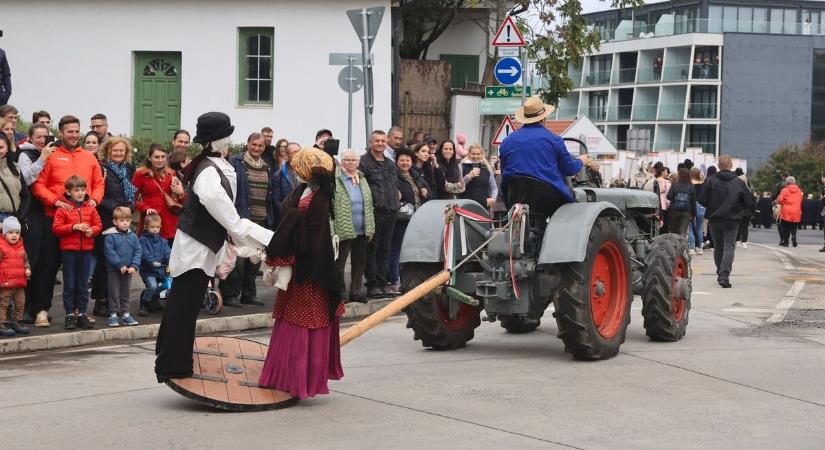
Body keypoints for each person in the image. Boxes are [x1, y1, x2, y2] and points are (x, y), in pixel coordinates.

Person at [154, 112, 274, 382]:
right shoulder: (208, 170)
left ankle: (172, 359)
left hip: (202, 246)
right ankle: (173, 365)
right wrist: (270, 240)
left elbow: (230, 219)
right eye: (227, 135)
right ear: (218, 140)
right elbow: (230, 218)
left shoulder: (214, 164)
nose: (231, 139)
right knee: (183, 306)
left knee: (183, 305)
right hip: (195, 247)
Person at [259, 147, 344, 400]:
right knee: (291, 321)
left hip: (311, 271)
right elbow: (290, 218)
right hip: (297, 267)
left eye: (299, 166)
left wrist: (288, 254)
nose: (295, 170)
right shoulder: (302, 190)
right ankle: (285, 377)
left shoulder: (320, 198)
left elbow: (313, 237)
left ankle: (301, 380)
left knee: (306, 322)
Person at [31, 116, 104, 327]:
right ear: (61, 133)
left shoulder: (89, 158)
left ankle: (79, 312)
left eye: (76, 131)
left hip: (84, 222)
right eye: (69, 131)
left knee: (80, 274)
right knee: (48, 267)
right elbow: (38, 185)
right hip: (55, 220)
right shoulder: (52, 156)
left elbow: (98, 184)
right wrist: (55, 201)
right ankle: (42, 310)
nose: (73, 135)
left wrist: (95, 201)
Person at [499, 96, 585, 219]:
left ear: (525, 118)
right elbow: (569, 169)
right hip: (548, 199)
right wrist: (581, 161)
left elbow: (504, 172)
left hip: (514, 195)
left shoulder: (507, 141)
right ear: (543, 118)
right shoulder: (554, 140)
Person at [221, 132, 273, 307]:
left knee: (255, 259)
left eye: (260, 146)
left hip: (260, 220)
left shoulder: (266, 166)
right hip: (241, 219)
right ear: (248, 144)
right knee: (238, 259)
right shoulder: (236, 162)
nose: (257, 148)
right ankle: (230, 295)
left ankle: (249, 294)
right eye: (254, 145)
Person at [91, 137, 136, 318]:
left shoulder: (129, 169)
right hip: (107, 219)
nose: (118, 153)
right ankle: (100, 301)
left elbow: (133, 191)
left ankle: (114, 301)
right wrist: (117, 209)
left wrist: (129, 206)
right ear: (108, 151)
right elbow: (98, 195)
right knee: (105, 262)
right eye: (115, 150)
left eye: (121, 150)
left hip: (123, 218)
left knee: (121, 259)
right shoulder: (102, 168)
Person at [52, 175, 103, 329]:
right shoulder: (63, 209)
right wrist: (73, 227)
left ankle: (81, 313)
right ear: (68, 192)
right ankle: (69, 314)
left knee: (83, 283)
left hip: (86, 251)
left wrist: (91, 231)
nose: (80, 193)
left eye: (82, 189)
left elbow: (98, 225)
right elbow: (56, 228)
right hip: (69, 251)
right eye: (76, 190)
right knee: (70, 284)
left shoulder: (90, 208)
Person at [16, 124, 53, 324]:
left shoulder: (52, 152)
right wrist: (42, 158)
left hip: (48, 212)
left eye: (44, 136)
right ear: (30, 137)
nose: (41, 140)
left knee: (46, 263)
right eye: (38, 137)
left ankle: (40, 306)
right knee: (33, 261)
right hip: (32, 213)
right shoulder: (25, 154)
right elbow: (27, 179)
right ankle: (27, 307)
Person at [698, 155, 751, 289]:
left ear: (718, 165)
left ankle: (720, 270)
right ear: (731, 165)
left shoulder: (710, 181)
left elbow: (702, 199)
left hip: (715, 218)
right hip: (733, 218)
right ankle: (724, 274)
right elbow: (748, 201)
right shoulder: (739, 182)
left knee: (718, 246)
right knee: (729, 246)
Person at [359, 130, 400, 298]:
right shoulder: (364, 162)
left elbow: (394, 185)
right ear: (371, 142)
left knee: (385, 249)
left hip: (391, 211)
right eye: (377, 141)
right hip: (374, 212)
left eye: (383, 141)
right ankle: (372, 284)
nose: (381, 144)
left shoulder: (390, 164)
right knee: (372, 250)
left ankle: (383, 283)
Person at [333, 149, 375, 303]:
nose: (350, 163)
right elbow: (331, 205)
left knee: (360, 262)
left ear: (358, 162)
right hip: (343, 227)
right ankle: (339, 293)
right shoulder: (336, 179)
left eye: (353, 160)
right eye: (347, 160)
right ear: (341, 161)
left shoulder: (361, 178)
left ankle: (356, 292)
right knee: (340, 263)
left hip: (361, 228)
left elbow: (369, 204)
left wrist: (370, 228)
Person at [389, 150, 427, 294]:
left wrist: (425, 192)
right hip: (402, 219)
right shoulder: (394, 177)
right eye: (402, 160)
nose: (405, 163)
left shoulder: (416, 176)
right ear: (397, 162)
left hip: (417, 219)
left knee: (413, 251)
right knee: (396, 250)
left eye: (408, 160)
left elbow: (429, 192)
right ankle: (394, 280)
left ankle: (409, 280)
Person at [133, 144, 186, 244]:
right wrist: (146, 208)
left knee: (171, 257)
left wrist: (181, 193)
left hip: (171, 222)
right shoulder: (140, 174)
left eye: (163, 157)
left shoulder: (171, 173)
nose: (160, 160)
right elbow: (131, 199)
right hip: (153, 222)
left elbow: (180, 199)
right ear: (149, 158)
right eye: (156, 157)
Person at [103, 206, 141, 327]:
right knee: (114, 292)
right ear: (115, 222)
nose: (125, 223)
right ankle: (113, 314)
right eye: (122, 220)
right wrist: (119, 265)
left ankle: (126, 314)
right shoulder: (110, 236)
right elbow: (109, 252)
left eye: (128, 220)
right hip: (113, 270)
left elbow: (138, 251)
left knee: (125, 292)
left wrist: (134, 266)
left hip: (128, 270)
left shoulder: (133, 236)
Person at [0, 216, 30, 336]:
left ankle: (17, 321)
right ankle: (2, 322)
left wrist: (27, 268)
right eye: (11, 232)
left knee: (20, 303)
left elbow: (25, 260)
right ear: (4, 234)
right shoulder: (1, 247)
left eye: (17, 233)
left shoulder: (21, 246)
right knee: (3, 303)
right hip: (6, 282)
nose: (14, 235)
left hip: (19, 282)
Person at [138, 214, 170, 316]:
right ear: (146, 227)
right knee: (152, 286)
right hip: (148, 271)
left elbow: (167, 252)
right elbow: (144, 254)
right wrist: (151, 262)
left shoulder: (163, 241)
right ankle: (144, 305)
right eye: (152, 227)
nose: (155, 229)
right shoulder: (143, 240)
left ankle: (155, 299)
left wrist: (171, 260)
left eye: (157, 227)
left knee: (169, 284)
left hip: (161, 270)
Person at [269, 141, 301, 226]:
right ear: (287, 155)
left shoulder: (307, 175)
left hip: (302, 219)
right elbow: (276, 201)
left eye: (299, 151)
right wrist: (289, 214)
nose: (298, 154)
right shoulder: (278, 175)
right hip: (285, 220)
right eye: (294, 152)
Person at [0, 133, 29, 225]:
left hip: (13, 220)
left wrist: (19, 217)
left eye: (1, 147)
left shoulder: (16, 168)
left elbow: (25, 196)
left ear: (7, 148)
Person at [460, 143, 497, 209]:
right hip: (465, 205)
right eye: (473, 154)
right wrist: (468, 177)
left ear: (481, 155)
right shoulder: (462, 166)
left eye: (478, 154)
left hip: (483, 206)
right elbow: (458, 186)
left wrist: (493, 199)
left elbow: (494, 187)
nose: (476, 156)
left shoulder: (487, 168)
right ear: (469, 154)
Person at [666, 167, 696, 236]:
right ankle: (682, 245)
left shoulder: (674, 184)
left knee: (674, 231)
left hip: (674, 210)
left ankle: (674, 246)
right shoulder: (692, 186)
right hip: (686, 212)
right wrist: (693, 214)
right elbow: (693, 201)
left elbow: (669, 196)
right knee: (683, 231)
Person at [777, 176, 803, 247]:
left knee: (786, 227)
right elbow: (801, 199)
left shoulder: (784, 190)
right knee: (794, 226)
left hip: (786, 210)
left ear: (787, 182)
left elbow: (780, 200)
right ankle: (794, 236)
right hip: (796, 210)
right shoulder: (799, 190)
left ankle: (786, 242)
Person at [688, 168, 706, 255]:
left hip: (691, 206)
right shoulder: (703, 184)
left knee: (691, 229)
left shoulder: (689, 184)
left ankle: (691, 248)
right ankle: (699, 248)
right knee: (699, 228)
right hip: (702, 207)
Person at [656, 165, 672, 232]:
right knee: (665, 226)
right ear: (662, 172)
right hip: (665, 206)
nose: (667, 173)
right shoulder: (667, 182)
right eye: (666, 172)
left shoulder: (654, 181)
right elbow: (669, 195)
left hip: (656, 205)